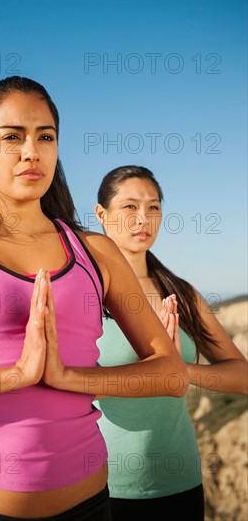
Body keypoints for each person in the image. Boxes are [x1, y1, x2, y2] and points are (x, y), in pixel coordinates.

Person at [0, 78, 189, 521]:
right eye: (11, 137)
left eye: (45, 136)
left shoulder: (96, 251)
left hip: (88, 505)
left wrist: (68, 377)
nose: (32, 151)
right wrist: (15, 375)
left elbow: (170, 375)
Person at [94, 165, 248, 521]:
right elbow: (59, 382)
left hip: (178, 485)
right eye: (129, 207)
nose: (142, 219)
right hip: (98, 487)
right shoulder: (84, 294)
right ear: (102, 214)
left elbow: (241, 376)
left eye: (153, 207)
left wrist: (184, 371)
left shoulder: (182, 294)